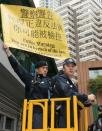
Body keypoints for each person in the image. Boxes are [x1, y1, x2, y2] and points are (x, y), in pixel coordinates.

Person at [3, 45, 52, 128]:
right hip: (34, 112)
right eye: (43, 68)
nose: (45, 70)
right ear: (36, 69)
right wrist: (8, 52)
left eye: (46, 68)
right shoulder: (31, 78)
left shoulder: (49, 81)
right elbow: (18, 68)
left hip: (46, 113)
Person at [52, 58, 96, 128]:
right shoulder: (60, 79)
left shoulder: (71, 83)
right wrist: (86, 97)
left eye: (72, 66)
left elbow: (78, 100)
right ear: (63, 68)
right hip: (62, 117)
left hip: (72, 118)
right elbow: (67, 93)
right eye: (68, 66)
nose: (71, 68)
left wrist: (89, 102)